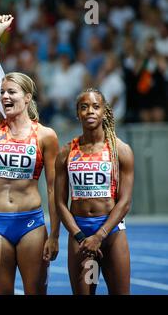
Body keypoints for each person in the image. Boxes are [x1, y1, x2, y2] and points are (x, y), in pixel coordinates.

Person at [0, 15, 60, 295]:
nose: (5, 97)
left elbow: (54, 188)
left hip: (31, 222)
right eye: (2, 92)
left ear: (28, 97)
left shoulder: (46, 135)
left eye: (12, 92)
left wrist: (55, 234)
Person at [54, 88, 134, 295]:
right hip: (80, 233)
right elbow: (60, 203)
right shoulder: (66, 152)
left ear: (104, 112)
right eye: (84, 107)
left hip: (111, 233)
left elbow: (124, 202)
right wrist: (80, 236)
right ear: (77, 113)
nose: (90, 111)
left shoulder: (120, 150)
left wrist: (100, 235)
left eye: (95, 107)